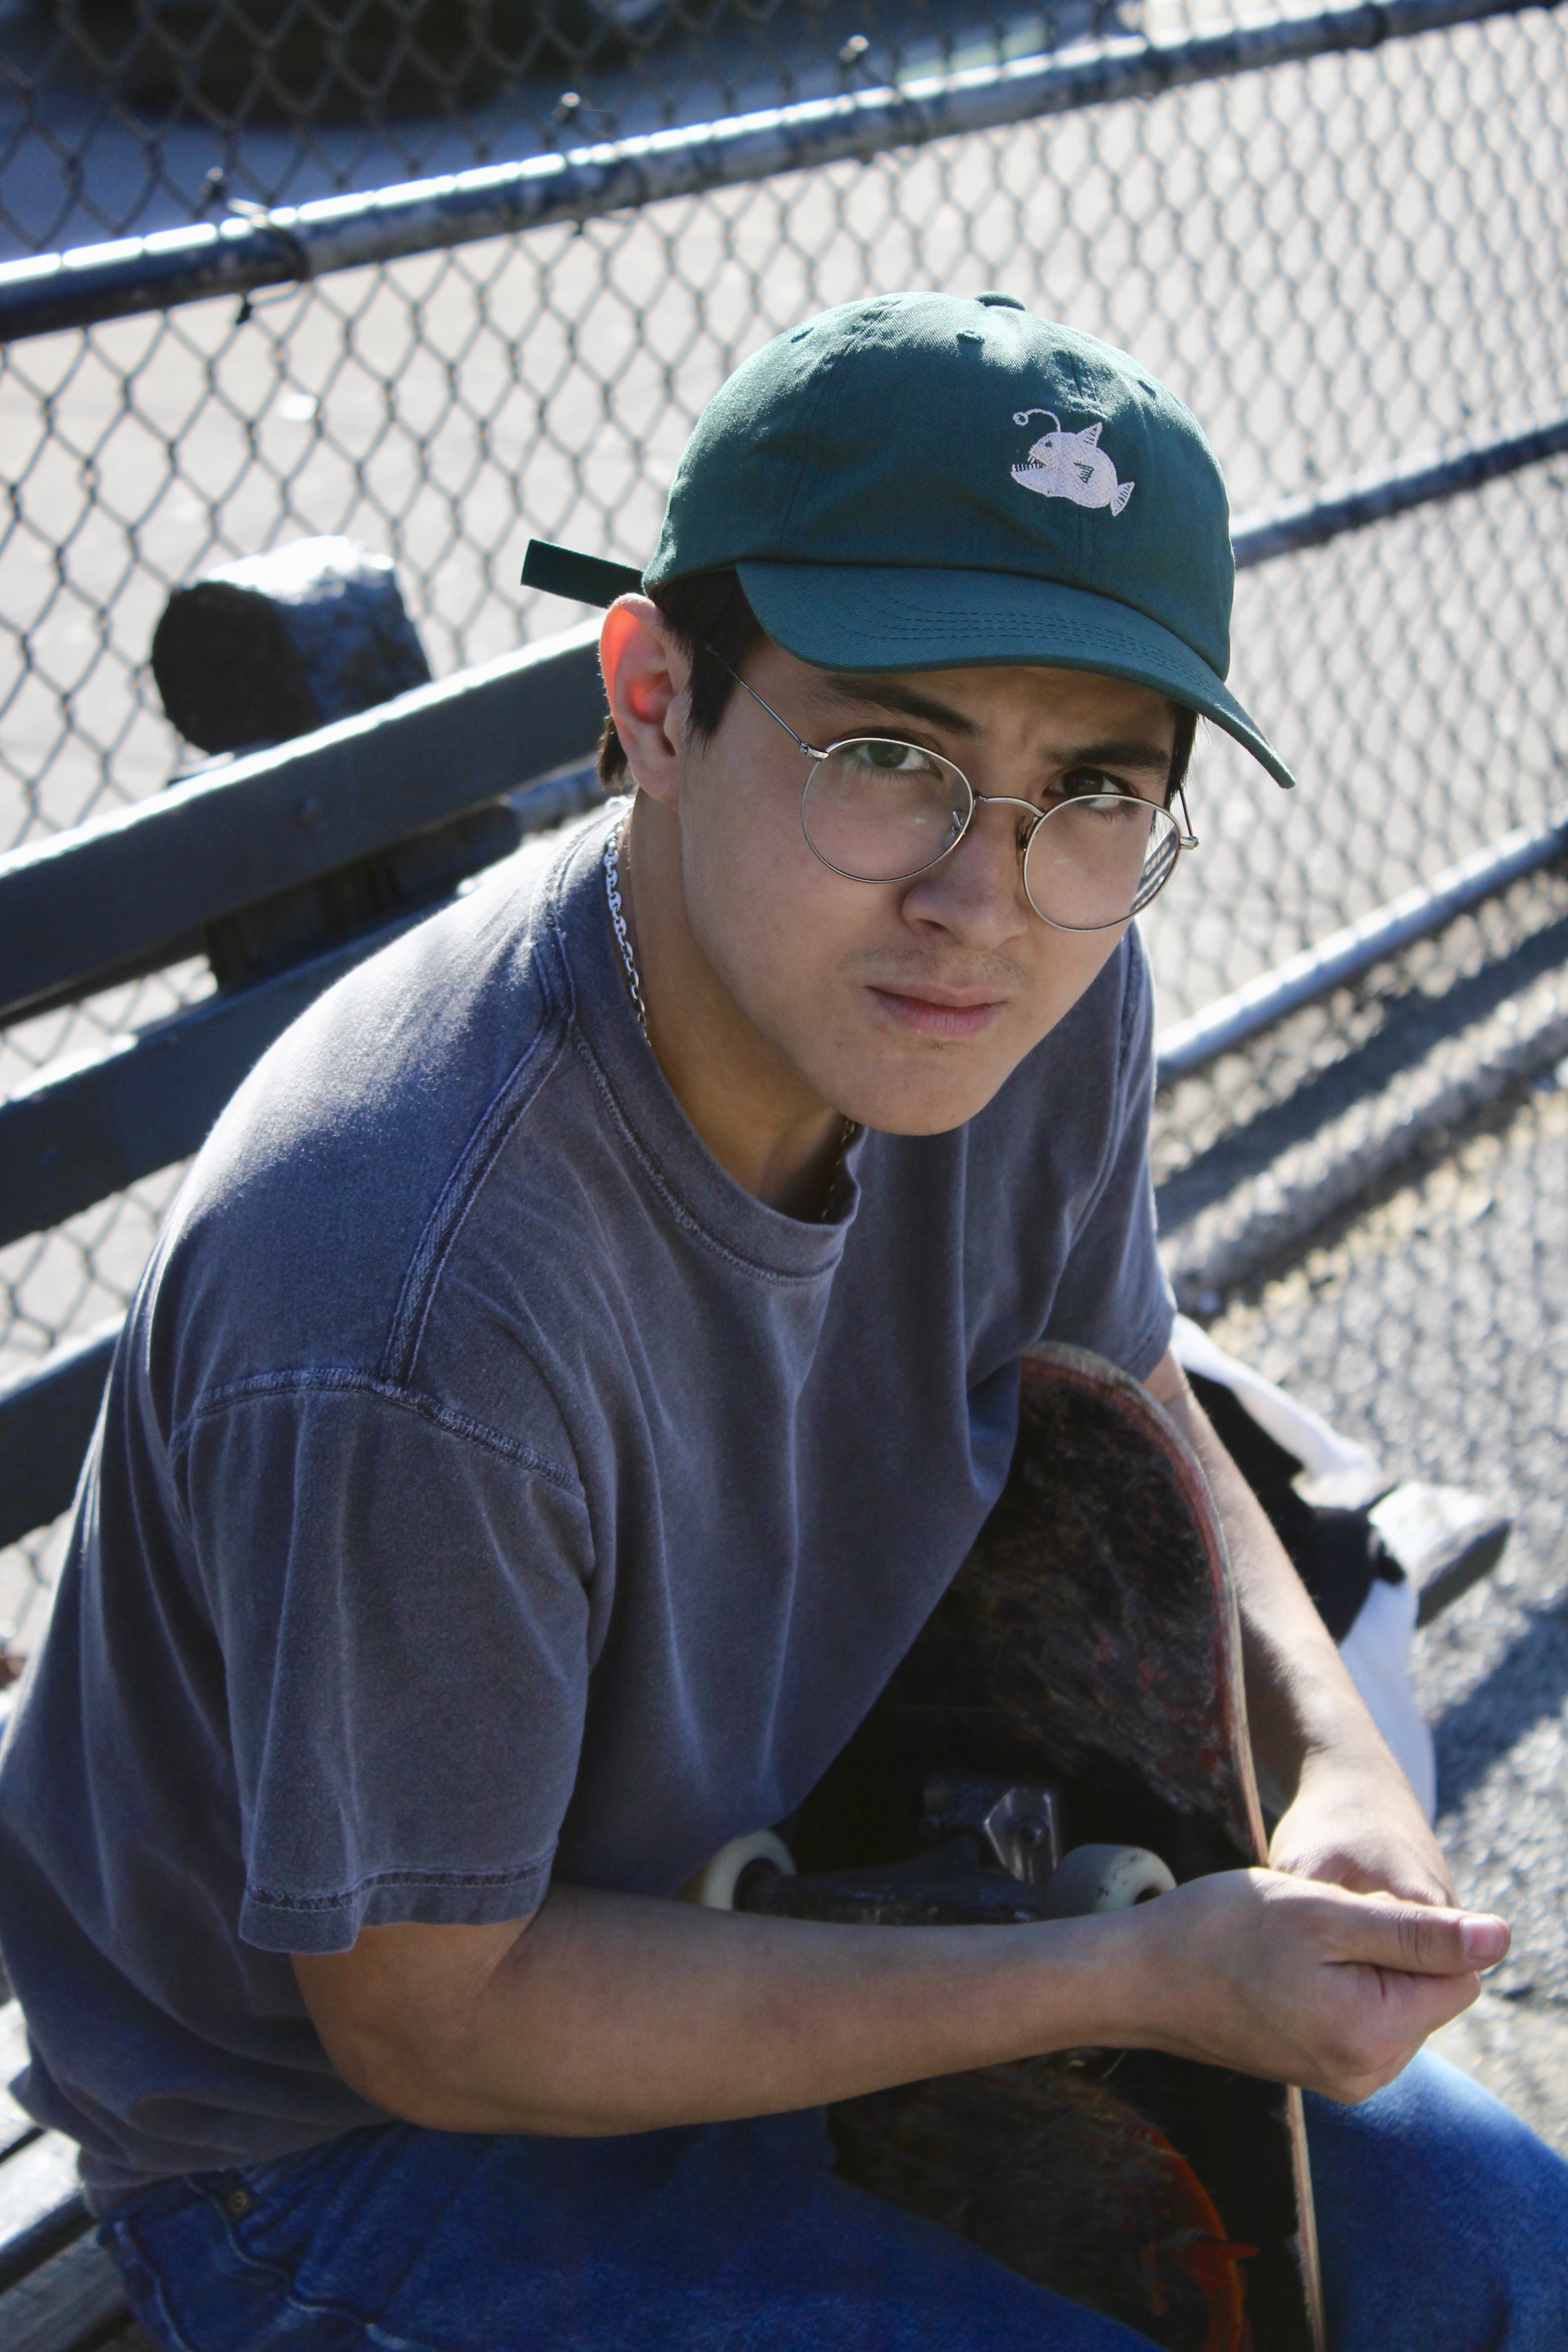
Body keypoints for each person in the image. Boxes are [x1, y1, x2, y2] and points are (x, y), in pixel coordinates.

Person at [1, 293, 1564, 2350]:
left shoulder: (1040, 1000)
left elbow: (1128, 1386)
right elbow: (431, 2025)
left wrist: (1337, 1756)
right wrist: (1138, 1975)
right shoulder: (411, 1297)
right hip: (338, 2153)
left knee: (1517, 2258)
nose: (983, 898)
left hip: (783, 1901)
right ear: (655, 696)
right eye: (888, 757)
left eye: (1093, 788)